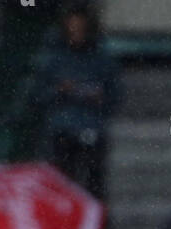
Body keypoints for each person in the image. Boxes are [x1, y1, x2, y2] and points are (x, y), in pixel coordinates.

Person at [40, 2, 120, 199]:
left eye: (81, 28)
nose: (77, 33)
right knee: (62, 184)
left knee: (95, 186)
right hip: (63, 130)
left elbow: (115, 96)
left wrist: (99, 98)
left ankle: (97, 227)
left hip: (92, 127)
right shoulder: (55, 59)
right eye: (73, 28)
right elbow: (39, 95)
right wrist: (59, 90)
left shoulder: (102, 59)